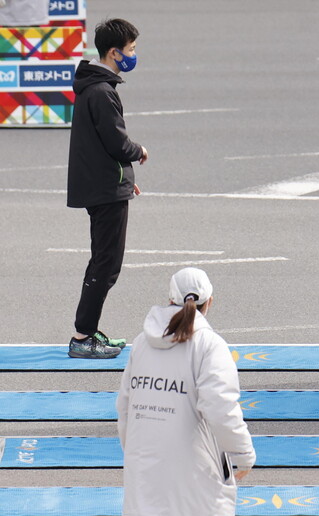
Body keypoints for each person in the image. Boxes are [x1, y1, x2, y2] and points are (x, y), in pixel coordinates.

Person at [116, 267, 256, 516]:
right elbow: (221, 407)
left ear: (170, 299)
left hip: (144, 470)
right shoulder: (209, 345)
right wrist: (242, 452)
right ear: (209, 303)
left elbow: (125, 407)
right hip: (194, 474)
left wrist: (137, 453)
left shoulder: (141, 343)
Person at [66, 18, 148, 359]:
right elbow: (116, 143)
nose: (132, 55)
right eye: (130, 50)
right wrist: (139, 152)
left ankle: (87, 330)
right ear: (113, 52)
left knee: (102, 261)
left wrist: (125, 180)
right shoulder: (102, 92)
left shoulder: (93, 86)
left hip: (103, 186)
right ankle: (83, 337)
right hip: (105, 192)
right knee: (106, 264)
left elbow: (98, 146)